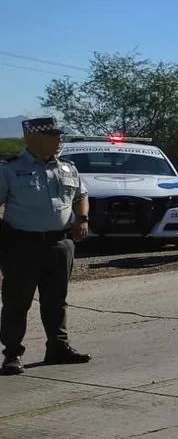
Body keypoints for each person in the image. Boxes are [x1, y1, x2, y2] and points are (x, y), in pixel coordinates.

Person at [0, 117, 92, 375]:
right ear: (34, 139)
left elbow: (81, 195)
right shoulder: (9, 169)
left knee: (56, 300)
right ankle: (11, 355)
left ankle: (58, 348)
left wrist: (82, 218)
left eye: (59, 134)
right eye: (53, 135)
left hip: (60, 243)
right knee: (17, 301)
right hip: (22, 245)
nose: (59, 139)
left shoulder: (67, 168)